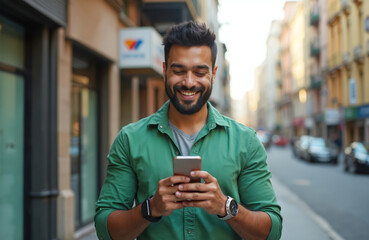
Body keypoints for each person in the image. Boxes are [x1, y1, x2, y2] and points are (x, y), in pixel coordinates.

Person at [95, 21, 282, 240]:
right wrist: (150, 208)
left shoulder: (246, 141)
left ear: (213, 73)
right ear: (165, 71)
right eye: (179, 71)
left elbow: (272, 232)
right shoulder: (130, 139)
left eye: (200, 72)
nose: (189, 82)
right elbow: (105, 230)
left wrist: (226, 206)